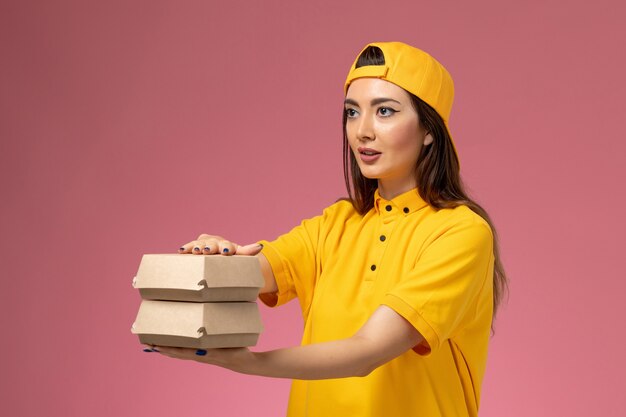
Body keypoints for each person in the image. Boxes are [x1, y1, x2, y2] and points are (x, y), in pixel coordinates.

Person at [148, 41, 507, 417]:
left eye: (385, 111)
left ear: (429, 129)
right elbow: (254, 271)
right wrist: (215, 261)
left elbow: (368, 351)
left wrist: (246, 362)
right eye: (352, 113)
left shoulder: (461, 233)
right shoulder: (335, 224)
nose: (362, 131)